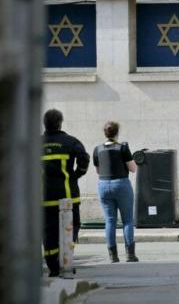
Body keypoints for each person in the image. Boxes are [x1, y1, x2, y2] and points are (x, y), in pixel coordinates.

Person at [42, 109, 90, 277]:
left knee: (48, 232)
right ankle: (66, 260)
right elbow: (84, 157)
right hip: (68, 196)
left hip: (45, 198)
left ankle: (53, 267)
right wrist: (77, 174)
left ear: (44, 124)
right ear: (60, 123)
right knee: (71, 226)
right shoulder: (70, 141)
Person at [93, 121, 138, 263]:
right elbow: (133, 168)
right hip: (121, 184)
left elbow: (98, 170)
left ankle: (113, 255)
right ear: (117, 133)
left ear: (104, 133)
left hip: (103, 185)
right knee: (127, 220)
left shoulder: (97, 149)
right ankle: (130, 255)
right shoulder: (122, 148)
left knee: (110, 221)